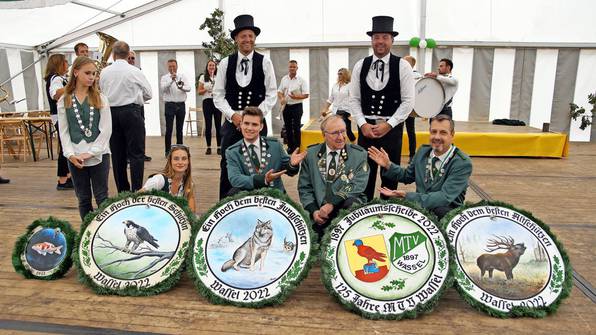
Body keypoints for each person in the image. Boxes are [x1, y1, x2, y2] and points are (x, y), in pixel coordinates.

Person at [348, 16, 415, 201]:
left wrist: (389, 124)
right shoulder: (360, 65)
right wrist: (362, 124)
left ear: (392, 40)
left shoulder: (403, 66)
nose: (380, 41)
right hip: (365, 130)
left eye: (385, 37)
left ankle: (387, 217)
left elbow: (408, 102)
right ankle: (363, 214)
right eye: (376, 37)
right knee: (363, 177)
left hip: (391, 131)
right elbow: (353, 99)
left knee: (389, 178)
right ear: (371, 40)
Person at [213, 14, 277, 199]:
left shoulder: (265, 61)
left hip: (256, 125)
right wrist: (233, 115)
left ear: (254, 38)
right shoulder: (225, 63)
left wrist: (255, 117)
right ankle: (225, 204)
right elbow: (218, 95)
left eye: (250, 36)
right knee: (227, 164)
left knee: (259, 165)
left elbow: (271, 93)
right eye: (243, 36)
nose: (247, 39)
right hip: (232, 124)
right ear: (236, 39)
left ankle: (259, 203)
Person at [368, 114, 472, 219]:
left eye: (443, 133)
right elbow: (407, 176)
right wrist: (388, 165)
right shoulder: (423, 151)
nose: (437, 137)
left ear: (452, 134)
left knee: (439, 210)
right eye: (433, 132)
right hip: (421, 211)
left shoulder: (462, 163)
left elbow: (443, 197)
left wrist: (407, 196)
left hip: (446, 215)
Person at [298, 115, 369, 241]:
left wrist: (332, 204)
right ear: (324, 135)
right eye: (335, 133)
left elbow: (357, 185)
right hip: (320, 212)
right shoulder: (311, 155)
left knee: (351, 203)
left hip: (346, 208)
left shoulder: (359, 154)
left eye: (343, 131)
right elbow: (305, 188)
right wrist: (314, 211)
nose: (341, 137)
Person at [57, 56, 112, 220]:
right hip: (75, 156)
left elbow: (106, 130)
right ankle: (86, 233)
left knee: (102, 197)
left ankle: (106, 231)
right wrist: (70, 155)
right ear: (75, 72)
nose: (91, 77)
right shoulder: (64, 100)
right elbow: (64, 131)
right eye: (87, 73)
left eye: (94, 74)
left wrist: (92, 152)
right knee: (83, 198)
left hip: (99, 155)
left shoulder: (101, 98)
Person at [99, 41, 152, 192]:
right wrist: (137, 96)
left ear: (113, 54)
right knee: (137, 154)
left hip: (112, 113)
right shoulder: (135, 71)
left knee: (117, 155)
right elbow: (149, 93)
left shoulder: (105, 72)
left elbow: (102, 91)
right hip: (132, 112)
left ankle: (122, 191)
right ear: (129, 54)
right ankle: (136, 190)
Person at [44, 53, 73, 190]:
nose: (67, 64)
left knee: (65, 146)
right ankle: (62, 180)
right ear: (59, 64)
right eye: (65, 62)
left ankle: (67, 177)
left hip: (61, 116)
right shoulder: (55, 79)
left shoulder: (59, 78)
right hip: (59, 116)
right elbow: (55, 94)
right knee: (64, 147)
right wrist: (73, 84)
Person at [140, 144, 196, 213]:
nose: (180, 162)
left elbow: (192, 212)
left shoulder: (188, 183)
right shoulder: (159, 180)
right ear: (170, 161)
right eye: (176, 159)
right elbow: (136, 197)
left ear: (188, 162)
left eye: (184, 159)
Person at [278, 60, 309, 153]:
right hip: (286, 106)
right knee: (287, 127)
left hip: (297, 106)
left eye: (294, 67)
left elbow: (306, 95)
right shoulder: (284, 79)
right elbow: (279, 91)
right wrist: (281, 98)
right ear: (288, 68)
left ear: (297, 68)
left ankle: (297, 147)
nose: (292, 68)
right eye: (290, 67)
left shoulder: (302, 80)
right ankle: (290, 147)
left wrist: (296, 97)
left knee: (296, 127)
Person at [161, 59, 191, 156]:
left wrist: (181, 87)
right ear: (167, 67)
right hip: (169, 105)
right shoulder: (165, 77)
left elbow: (189, 88)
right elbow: (163, 88)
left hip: (181, 105)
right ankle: (167, 151)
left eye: (174, 66)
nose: (172, 68)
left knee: (179, 129)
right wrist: (171, 80)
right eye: (170, 66)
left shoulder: (182, 76)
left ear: (177, 66)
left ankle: (179, 150)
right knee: (169, 129)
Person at [127, 50, 152, 162]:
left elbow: (145, 88)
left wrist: (141, 99)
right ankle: (128, 155)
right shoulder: (124, 72)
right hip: (127, 105)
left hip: (138, 105)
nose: (131, 60)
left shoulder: (138, 71)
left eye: (133, 58)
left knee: (141, 130)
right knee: (128, 132)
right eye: (129, 58)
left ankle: (141, 153)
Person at [321, 67, 356, 142]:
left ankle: (355, 146)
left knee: (347, 131)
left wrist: (352, 114)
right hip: (335, 111)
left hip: (346, 111)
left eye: (341, 74)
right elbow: (330, 99)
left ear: (346, 75)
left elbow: (354, 100)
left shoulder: (350, 86)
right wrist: (325, 109)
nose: (339, 75)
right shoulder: (335, 85)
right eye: (338, 74)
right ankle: (339, 146)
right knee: (338, 129)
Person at [198, 59, 222, 155]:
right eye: (210, 66)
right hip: (207, 102)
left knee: (218, 125)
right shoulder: (203, 77)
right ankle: (208, 147)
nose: (211, 67)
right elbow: (199, 92)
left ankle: (219, 147)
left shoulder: (219, 77)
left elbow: (223, 90)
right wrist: (205, 89)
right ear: (207, 67)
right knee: (208, 125)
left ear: (215, 67)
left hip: (216, 101)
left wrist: (217, 90)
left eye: (213, 65)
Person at [403, 55, 422, 162]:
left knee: (411, 131)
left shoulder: (417, 75)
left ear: (411, 64)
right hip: (399, 108)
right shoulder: (400, 73)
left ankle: (412, 155)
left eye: (405, 61)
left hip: (410, 109)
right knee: (397, 132)